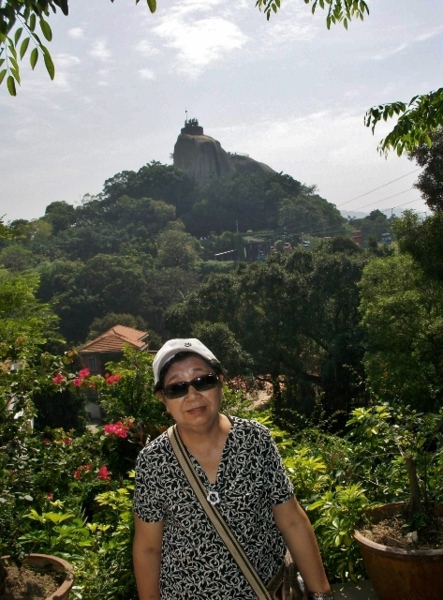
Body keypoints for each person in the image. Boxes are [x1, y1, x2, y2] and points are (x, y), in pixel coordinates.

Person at [133, 338, 333, 600]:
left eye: (203, 381)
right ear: (163, 398)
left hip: (265, 591)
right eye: (177, 388)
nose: (192, 396)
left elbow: (292, 521)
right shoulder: (154, 461)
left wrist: (321, 594)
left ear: (220, 381)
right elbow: (148, 549)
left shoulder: (255, 440)